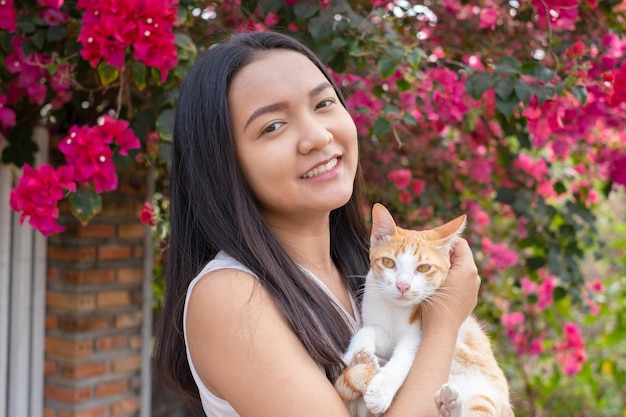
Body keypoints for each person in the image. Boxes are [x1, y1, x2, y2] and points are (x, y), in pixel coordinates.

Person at [153, 31, 481, 417]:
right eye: (272, 126)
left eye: (324, 103)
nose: (318, 136)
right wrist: (443, 325)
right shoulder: (230, 295)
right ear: (222, 164)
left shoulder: (366, 274)